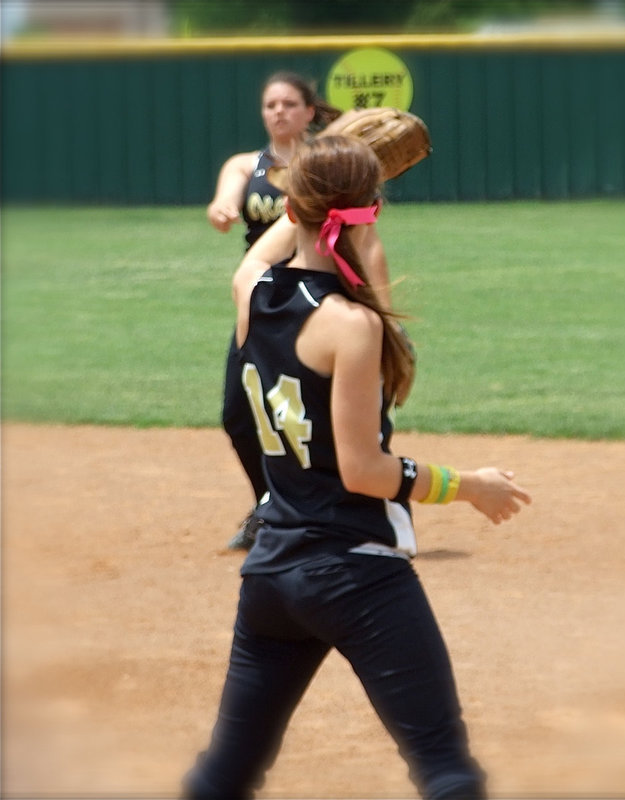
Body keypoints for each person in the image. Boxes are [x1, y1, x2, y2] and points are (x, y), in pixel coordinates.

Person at [182, 135, 532, 800]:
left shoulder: (250, 291)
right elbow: (364, 472)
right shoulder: (351, 326)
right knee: (444, 768)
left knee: (225, 773)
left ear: (296, 206)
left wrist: (324, 185)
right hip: (354, 573)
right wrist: (467, 486)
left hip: (271, 576)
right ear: (365, 215)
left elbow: (276, 242)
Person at [208, 71, 391, 549]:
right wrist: (223, 208)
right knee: (239, 413)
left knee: (351, 409)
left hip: (327, 291)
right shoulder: (249, 164)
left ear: (310, 112)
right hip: (270, 299)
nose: (279, 112)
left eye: (290, 104)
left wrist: (383, 308)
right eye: (271, 105)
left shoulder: (332, 167)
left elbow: (367, 242)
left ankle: (379, 507)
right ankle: (271, 505)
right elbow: (226, 197)